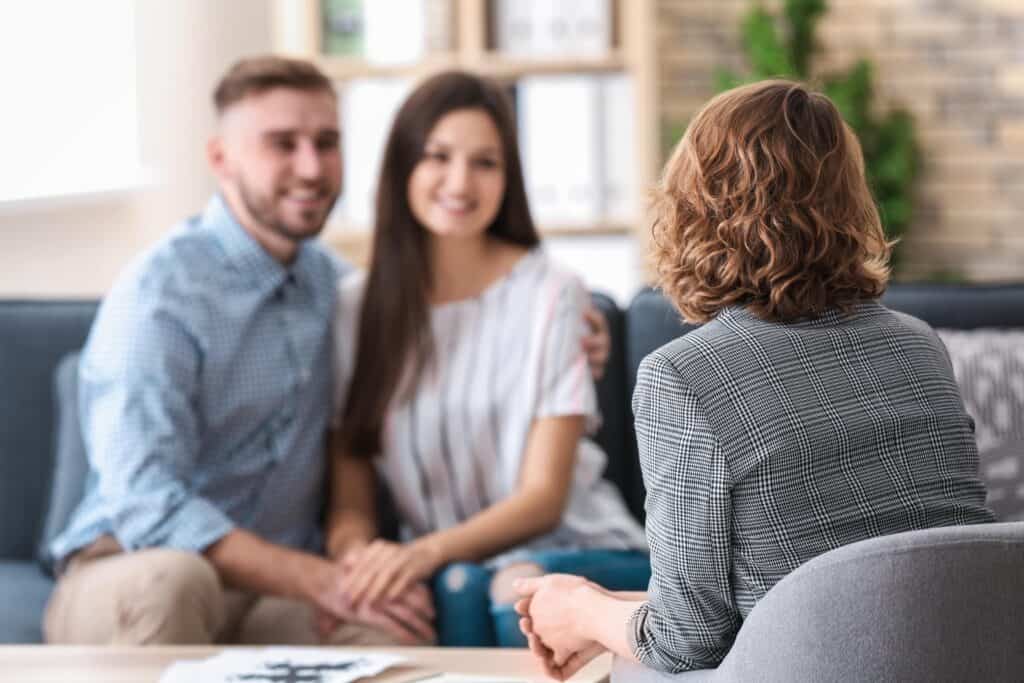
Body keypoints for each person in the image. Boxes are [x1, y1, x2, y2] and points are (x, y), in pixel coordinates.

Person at [42, 56, 610, 647]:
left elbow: (455, 320)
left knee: (392, 626)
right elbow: (145, 502)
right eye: (282, 144)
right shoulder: (160, 295)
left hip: (275, 591)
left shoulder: (341, 294)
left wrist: (584, 335)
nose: (310, 168)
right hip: (131, 565)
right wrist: (319, 577)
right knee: (176, 578)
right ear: (221, 158)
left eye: (326, 142)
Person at [514, 80, 996, 678]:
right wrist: (613, 613)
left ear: (694, 205)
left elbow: (686, 644)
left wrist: (579, 610)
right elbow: (851, 600)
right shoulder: (919, 346)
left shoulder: (684, 377)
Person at [325, 70, 650, 647]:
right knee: (456, 585)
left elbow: (543, 499)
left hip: (576, 547)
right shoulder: (355, 309)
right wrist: (362, 562)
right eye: (438, 156)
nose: (460, 181)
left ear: (508, 179)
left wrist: (420, 552)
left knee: (511, 585)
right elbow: (349, 497)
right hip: (454, 568)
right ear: (403, 167)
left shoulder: (552, 293)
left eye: (485, 162)